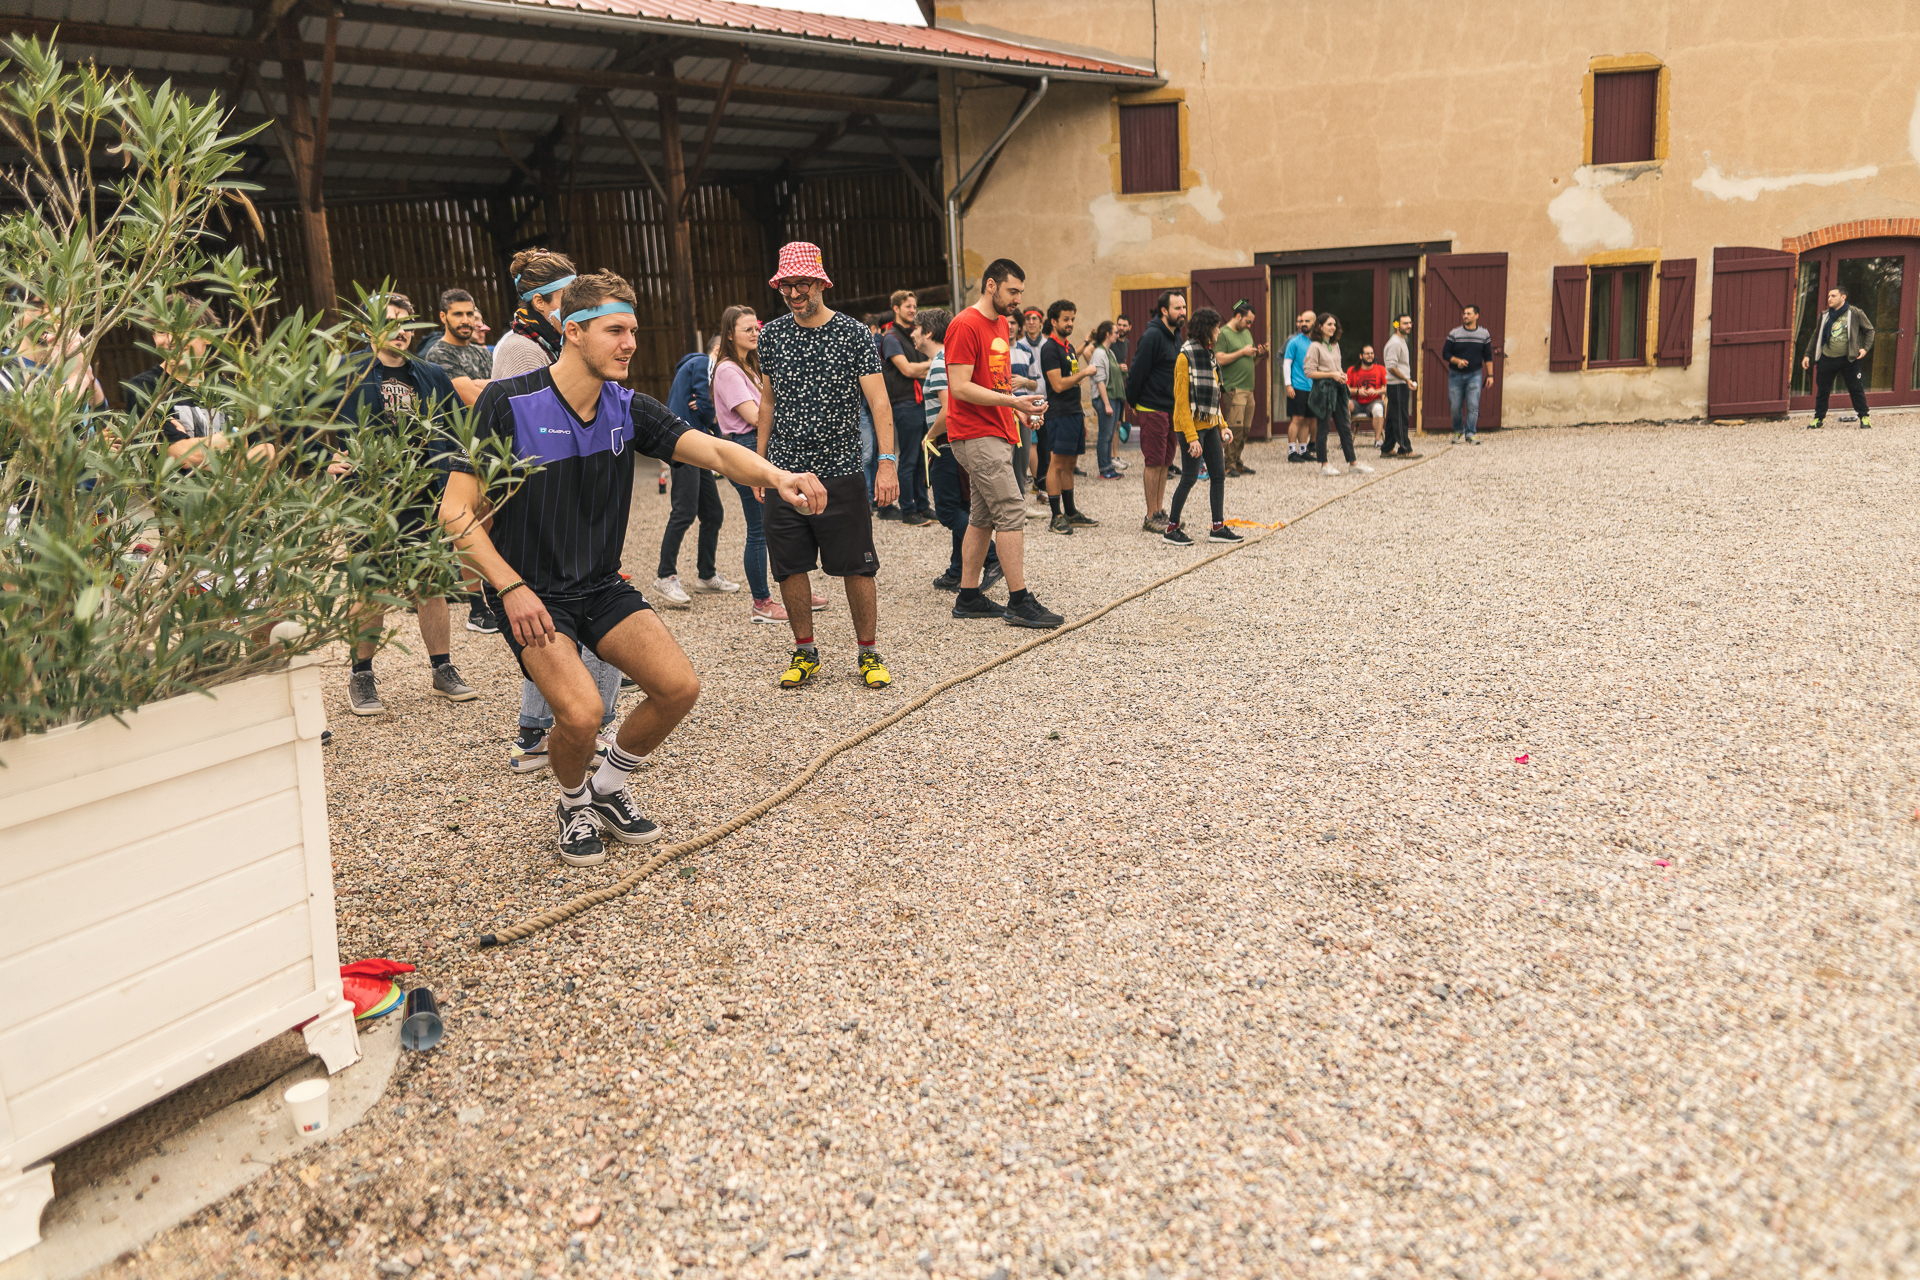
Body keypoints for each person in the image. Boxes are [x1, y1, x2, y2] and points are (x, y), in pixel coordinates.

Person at [440, 271, 826, 865]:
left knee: (678, 689)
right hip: (532, 592)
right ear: (572, 333)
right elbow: (455, 513)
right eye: (616, 330)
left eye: (634, 331)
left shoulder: (628, 407)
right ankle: (572, 804)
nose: (631, 343)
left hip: (599, 584)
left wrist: (780, 476)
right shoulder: (506, 402)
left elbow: (718, 451)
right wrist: (509, 588)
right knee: (581, 713)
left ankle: (608, 789)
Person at [487, 248, 624, 775]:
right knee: (548, 627)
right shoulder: (520, 352)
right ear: (541, 301)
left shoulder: (543, 341)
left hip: (568, 511)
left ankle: (547, 731)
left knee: (553, 627)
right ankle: (549, 733)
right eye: (567, 298)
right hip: (537, 516)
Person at [754, 242, 897, 691]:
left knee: (858, 566)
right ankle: (805, 651)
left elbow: (879, 402)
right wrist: (760, 465)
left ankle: (868, 653)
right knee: (790, 566)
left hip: (841, 471)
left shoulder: (855, 334)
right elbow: (768, 402)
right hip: (786, 473)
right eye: (785, 285)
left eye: (800, 284)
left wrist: (887, 463)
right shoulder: (771, 335)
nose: (793, 292)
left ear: (820, 282)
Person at [333, 293, 480, 716]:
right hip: (369, 500)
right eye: (391, 322)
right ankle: (361, 675)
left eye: (406, 322)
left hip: (424, 496)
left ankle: (442, 668)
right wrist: (326, 459)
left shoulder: (431, 374)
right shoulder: (347, 373)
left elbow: (457, 429)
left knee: (430, 585)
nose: (401, 330)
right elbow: (302, 419)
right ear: (369, 328)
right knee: (372, 589)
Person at [944, 258, 1062, 628]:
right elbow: (960, 387)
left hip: (996, 430)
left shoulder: (997, 324)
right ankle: (1019, 601)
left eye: (1021, 293)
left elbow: (996, 382)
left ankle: (968, 596)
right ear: (991, 285)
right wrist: (1013, 403)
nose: (1018, 300)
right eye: (1013, 291)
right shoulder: (965, 324)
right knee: (1012, 509)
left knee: (982, 517)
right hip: (974, 434)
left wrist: (1019, 412)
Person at [710, 305, 787, 624]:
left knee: (780, 522)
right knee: (759, 527)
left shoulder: (750, 366)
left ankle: (792, 587)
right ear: (730, 335)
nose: (756, 333)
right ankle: (761, 601)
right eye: (748, 330)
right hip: (743, 447)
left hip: (758, 446)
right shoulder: (728, 370)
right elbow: (754, 417)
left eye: (757, 327)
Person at [653, 338, 737, 607]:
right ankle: (664, 576)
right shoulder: (703, 363)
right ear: (717, 349)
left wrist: (706, 413)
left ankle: (706, 575)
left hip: (696, 444)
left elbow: (701, 404)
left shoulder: (695, 365)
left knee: (713, 514)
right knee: (684, 511)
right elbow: (705, 403)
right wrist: (713, 415)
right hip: (684, 444)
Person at [1163, 307, 1243, 547]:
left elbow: (1215, 396)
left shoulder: (1209, 355)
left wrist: (1222, 426)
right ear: (1206, 330)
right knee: (1188, 477)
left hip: (1209, 426)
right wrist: (1191, 437)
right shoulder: (1184, 356)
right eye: (1216, 327)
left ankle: (1217, 527)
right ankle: (1171, 528)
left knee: (1218, 475)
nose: (1219, 331)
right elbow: (1181, 401)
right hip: (1191, 429)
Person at [1038, 299, 1099, 535]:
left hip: (1074, 412)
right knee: (1057, 463)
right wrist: (1084, 372)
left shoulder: (1069, 347)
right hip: (1059, 413)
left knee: (1071, 464)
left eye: (1072, 318)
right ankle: (1056, 516)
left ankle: (1071, 512)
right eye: (1066, 319)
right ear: (1053, 321)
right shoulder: (1049, 348)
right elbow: (1058, 385)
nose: (1070, 323)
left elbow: (1071, 380)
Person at [1129, 290, 1186, 533]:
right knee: (1154, 462)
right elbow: (1137, 371)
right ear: (1164, 310)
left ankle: (1160, 512)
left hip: (1171, 408)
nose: (1182, 313)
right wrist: (1132, 402)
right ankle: (1151, 514)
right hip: (1152, 407)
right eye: (1177, 309)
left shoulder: (1175, 335)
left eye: (1184, 308)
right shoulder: (1152, 335)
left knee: (1166, 463)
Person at [879, 289, 934, 525]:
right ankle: (908, 509)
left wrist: (924, 366)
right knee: (909, 459)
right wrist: (936, 361)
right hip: (904, 404)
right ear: (896, 309)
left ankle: (923, 506)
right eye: (908, 306)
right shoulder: (891, 338)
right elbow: (908, 370)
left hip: (921, 402)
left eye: (914, 306)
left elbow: (918, 368)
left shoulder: (913, 335)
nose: (912, 310)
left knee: (924, 458)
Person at [1303, 312, 1372, 478]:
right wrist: (1332, 374)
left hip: (1338, 389)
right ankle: (1324, 464)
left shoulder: (1335, 345)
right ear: (1320, 326)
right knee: (1324, 427)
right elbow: (1309, 372)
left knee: (1344, 426)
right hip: (1323, 390)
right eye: (1329, 324)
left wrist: (1341, 375)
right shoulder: (1314, 346)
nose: (1333, 327)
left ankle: (1353, 463)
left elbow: (1338, 367)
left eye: (1334, 324)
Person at [492, 248, 575, 380]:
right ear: (539, 302)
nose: (577, 304)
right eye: (568, 298)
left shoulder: (557, 343)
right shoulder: (523, 353)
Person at [1801, 284, 1875, 430]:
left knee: (1856, 389)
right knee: (1822, 390)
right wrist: (1807, 355)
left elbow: (1870, 330)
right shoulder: (1824, 315)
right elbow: (1816, 336)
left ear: (1843, 297)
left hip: (1848, 360)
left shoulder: (1854, 313)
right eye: (1828, 296)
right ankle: (1818, 419)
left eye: (1833, 296)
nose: (1830, 299)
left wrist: (1865, 348)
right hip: (1827, 359)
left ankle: (1864, 417)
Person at [1214, 300, 1267, 477]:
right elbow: (1219, 359)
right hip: (1233, 388)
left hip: (1248, 389)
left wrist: (1258, 355)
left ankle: (1237, 462)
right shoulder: (1223, 334)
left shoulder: (1246, 334)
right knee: (1234, 428)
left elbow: (1249, 361)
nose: (1250, 325)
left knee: (1245, 429)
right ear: (1238, 316)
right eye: (1248, 321)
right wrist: (1241, 353)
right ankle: (1227, 465)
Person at [422, 289, 492, 407]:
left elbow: (507, 388)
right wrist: (493, 384)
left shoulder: (483, 352)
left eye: (470, 314)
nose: (465, 320)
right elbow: (477, 401)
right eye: (458, 314)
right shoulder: (439, 354)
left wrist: (482, 384)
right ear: (443, 317)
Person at [1441, 304, 1495, 444]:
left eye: (1468, 313)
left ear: (1477, 316)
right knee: (1455, 406)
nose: (1465, 316)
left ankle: (1470, 433)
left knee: (1473, 405)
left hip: (1474, 375)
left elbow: (1488, 356)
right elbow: (1445, 353)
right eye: (1464, 313)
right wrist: (1456, 361)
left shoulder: (1484, 334)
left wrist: (1490, 375)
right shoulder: (1455, 333)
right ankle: (1459, 431)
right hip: (1455, 375)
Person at [1381, 313, 1420, 458]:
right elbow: (1391, 366)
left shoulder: (1401, 341)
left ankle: (1387, 448)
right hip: (1396, 384)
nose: (1409, 326)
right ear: (1396, 325)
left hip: (1399, 384)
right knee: (1400, 417)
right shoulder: (1395, 343)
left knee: (1392, 417)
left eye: (1410, 323)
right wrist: (1406, 379)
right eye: (1405, 323)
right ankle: (1405, 449)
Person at [1281, 308, 1316, 462]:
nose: (1303, 324)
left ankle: (1303, 450)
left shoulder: (1317, 342)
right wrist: (1288, 385)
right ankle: (1291, 452)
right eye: (1301, 321)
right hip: (1298, 386)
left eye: (1307, 321)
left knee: (1307, 420)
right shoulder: (1294, 341)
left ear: (1315, 323)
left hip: (1312, 387)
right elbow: (1286, 364)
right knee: (1297, 419)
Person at [1088, 321, 1122, 479]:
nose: (1118, 334)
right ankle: (1104, 469)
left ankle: (1109, 466)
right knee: (1105, 435)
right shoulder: (1099, 353)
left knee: (1109, 435)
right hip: (1105, 400)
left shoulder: (1109, 353)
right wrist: (1107, 404)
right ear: (1108, 334)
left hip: (1114, 399)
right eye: (1115, 332)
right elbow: (1099, 381)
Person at [1347, 344, 1387, 449]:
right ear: (1361, 356)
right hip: (1357, 402)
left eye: (1372, 353)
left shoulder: (1380, 369)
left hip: (1374, 402)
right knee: (1345, 404)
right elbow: (1345, 389)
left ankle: (1377, 440)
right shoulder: (1352, 370)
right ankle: (1345, 439)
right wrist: (1357, 391)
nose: (1370, 356)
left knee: (1379, 408)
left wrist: (1377, 391)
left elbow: (1388, 388)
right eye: (1367, 353)